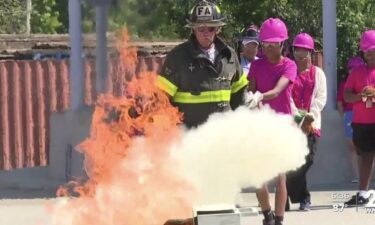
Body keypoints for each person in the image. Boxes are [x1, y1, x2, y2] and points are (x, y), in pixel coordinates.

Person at [156, 0, 248, 129]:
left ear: (218, 29)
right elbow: (161, 99)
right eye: (201, 28)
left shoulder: (230, 56)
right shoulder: (178, 57)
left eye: (211, 28)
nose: (206, 33)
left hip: (224, 138)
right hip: (189, 139)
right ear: (193, 28)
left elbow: (240, 97)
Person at [247, 17, 297, 225]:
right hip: (260, 126)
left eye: (272, 43)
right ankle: (266, 214)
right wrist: (254, 100)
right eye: (264, 43)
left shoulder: (290, 66)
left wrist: (260, 96)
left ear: (281, 44)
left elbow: (277, 91)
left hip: (282, 126)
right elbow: (250, 90)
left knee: (280, 177)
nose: (266, 47)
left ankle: (279, 219)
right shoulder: (257, 66)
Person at [286, 33, 327, 211]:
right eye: (297, 50)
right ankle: (304, 198)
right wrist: (297, 116)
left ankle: (287, 191)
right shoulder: (289, 71)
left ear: (310, 52)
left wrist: (309, 116)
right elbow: (286, 96)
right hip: (292, 124)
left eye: (304, 51)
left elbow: (321, 98)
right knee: (292, 161)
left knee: (307, 160)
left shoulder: (318, 73)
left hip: (311, 124)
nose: (300, 54)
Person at [344, 30, 375, 206]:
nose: (368, 53)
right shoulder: (356, 72)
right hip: (362, 122)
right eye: (366, 50)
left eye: (372, 49)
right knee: (366, 156)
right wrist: (362, 96)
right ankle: (363, 193)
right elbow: (347, 96)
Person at [337, 56, 364, 183]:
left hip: (365, 116)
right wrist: (344, 117)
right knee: (353, 147)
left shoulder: (368, 83)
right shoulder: (344, 84)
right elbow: (340, 103)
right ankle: (358, 177)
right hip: (349, 116)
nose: (353, 72)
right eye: (351, 69)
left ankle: (365, 177)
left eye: (356, 69)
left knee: (366, 148)